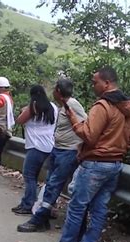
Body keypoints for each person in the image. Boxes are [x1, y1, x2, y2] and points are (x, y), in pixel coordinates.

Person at [42, 67, 130, 242]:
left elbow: (89, 135)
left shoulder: (103, 106)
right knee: (100, 209)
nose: (93, 86)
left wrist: (75, 121)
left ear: (107, 83)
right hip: (115, 164)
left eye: (95, 82)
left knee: (77, 207)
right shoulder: (128, 107)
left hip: (95, 164)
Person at [17, 79, 87, 231]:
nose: (52, 92)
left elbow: (86, 125)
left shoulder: (72, 104)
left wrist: (80, 145)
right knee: (50, 184)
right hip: (57, 149)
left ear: (59, 92)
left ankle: (39, 220)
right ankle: (44, 214)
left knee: (53, 185)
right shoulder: (61, 107)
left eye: (54, 89)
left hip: (68, 152)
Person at [12, 85, 58, 214]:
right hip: (49, 146)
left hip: (35, 146)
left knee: (29, 176)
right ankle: (38, 203)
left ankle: (28, 204)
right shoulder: (53, 107)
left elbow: (20, 120)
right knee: (40, 178)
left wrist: (24, 109)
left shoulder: (33, 107)